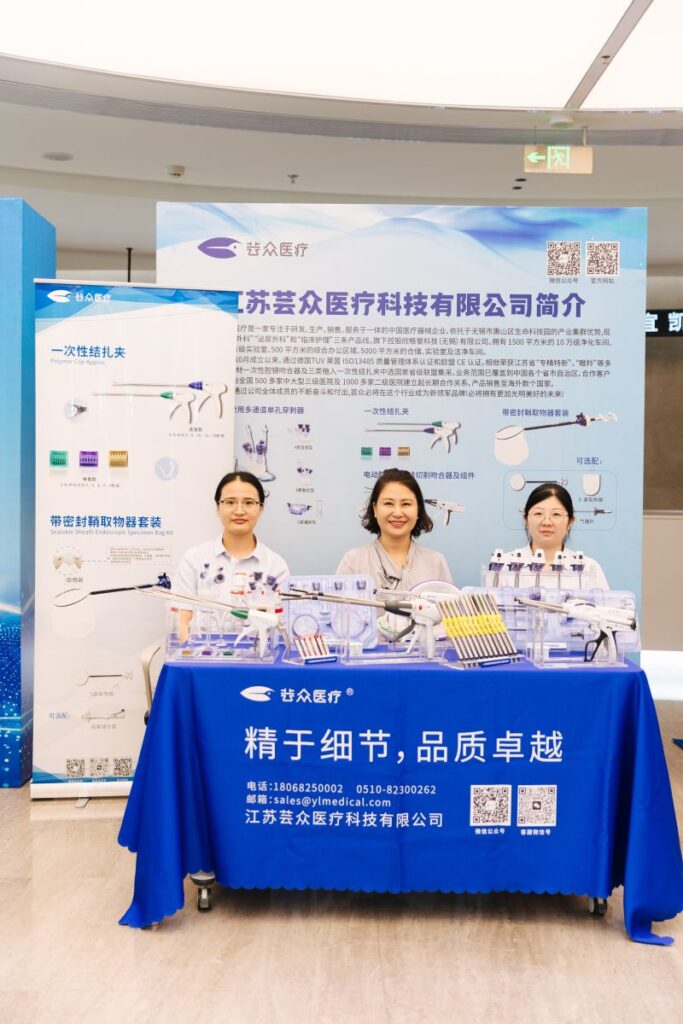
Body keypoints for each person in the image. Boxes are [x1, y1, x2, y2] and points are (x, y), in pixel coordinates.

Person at [174, 471, 289, 637]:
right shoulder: (194, 559)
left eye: (248, 503)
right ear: (218, 507)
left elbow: (280, 625)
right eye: (230, 502)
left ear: (261, 508)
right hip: (202, 652)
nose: (239, 511)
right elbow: (182, 622)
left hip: (258, 652)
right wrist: (188, 652)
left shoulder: (275, 565)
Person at [336, 468, 453, 591]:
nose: (397, 513)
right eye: (388, 503)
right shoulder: (353, 561)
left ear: (418, 509)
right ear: (375, 508)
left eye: (406, 504)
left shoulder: (435, 562)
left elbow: (448, 603)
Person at [501, 482, 609, 589]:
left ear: (570, 521)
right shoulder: (503, 566)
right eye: (538, 513)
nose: (547, 522)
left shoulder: (590, 568)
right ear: (526, 520)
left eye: (556, 514)